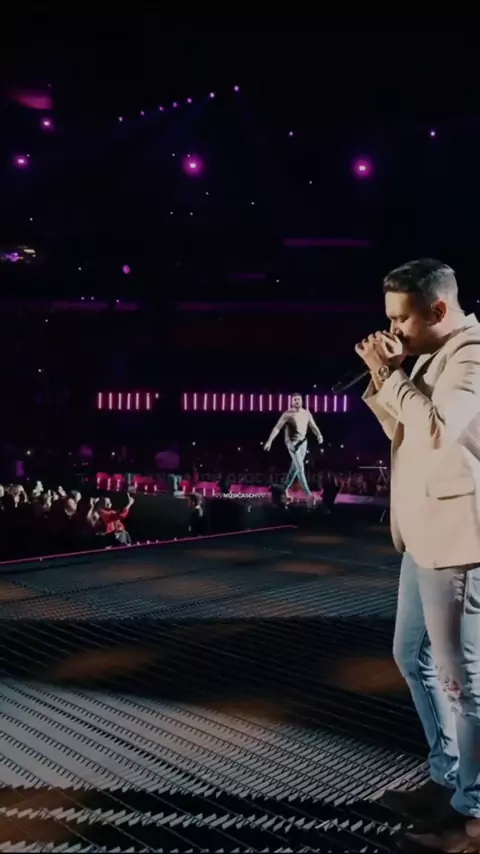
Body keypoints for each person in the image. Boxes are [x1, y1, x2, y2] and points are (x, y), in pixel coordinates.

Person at [356, 258, 480, 851]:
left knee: (463, 682)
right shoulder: (430, 352)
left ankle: (472, 810)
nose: (392, 330)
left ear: (438, 309)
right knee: (412, 657)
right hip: (422, 534)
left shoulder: (472, 353)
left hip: (459, 539)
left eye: (401, 319)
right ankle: (446, 778)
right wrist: (385, 379)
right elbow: (403, 432)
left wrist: (392, 373)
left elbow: (434, 428)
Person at [264, 393, 323, 502]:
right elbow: (277, 428)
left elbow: (313, 426)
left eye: (298, 399)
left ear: (302, 401)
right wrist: (269, 441)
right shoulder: (287, 414)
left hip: (303, 443)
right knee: (300, 468)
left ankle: (284, 488)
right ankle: (308, 494)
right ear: (291, 402)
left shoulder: (306, 413)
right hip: (292, 443)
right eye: (295, 399)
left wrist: (319, 435)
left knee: (294, 469)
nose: (297, 401)